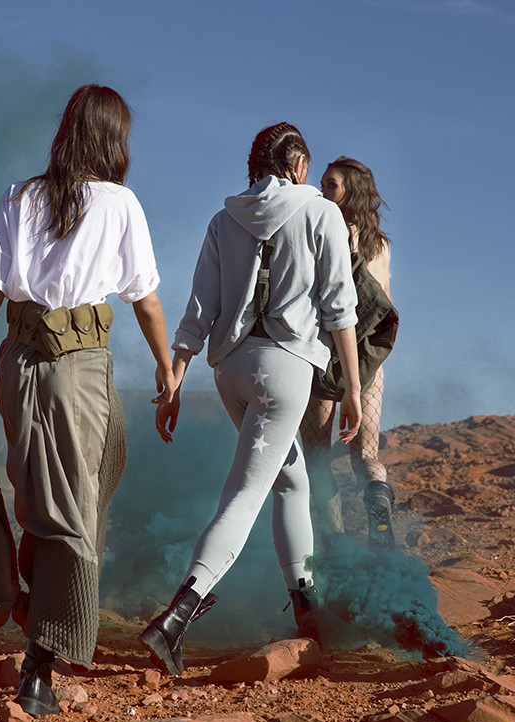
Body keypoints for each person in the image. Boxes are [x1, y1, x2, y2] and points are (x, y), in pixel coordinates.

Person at [0, 84, 176, 716]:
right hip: (78, 370)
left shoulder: (20, 196)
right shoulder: (120, 203)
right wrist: (166, 367)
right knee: (71, 509)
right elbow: (146, 299)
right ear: (114, 140)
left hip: (17, 366)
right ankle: (39, 664)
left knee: (60, 489)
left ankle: (36, 601)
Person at [140, 123, 361, 676]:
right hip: (284, 371)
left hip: (231, 370)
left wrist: (176, 378)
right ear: (299, 164)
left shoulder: (224, 219)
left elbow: (199, 309)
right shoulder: (322, 213)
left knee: (291, 480)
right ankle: (176, 617)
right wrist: (355, 388)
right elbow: (339, 308)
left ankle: (307, 610)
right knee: (244, 494)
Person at [300, 157, 395, 548]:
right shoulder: (381, 245)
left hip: (325, 355)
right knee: (367, 455)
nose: (323, 190)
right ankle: (379, 503)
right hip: (368, 360)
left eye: (331, 184)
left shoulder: (326, 231)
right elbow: (387, 302)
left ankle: (335, 542)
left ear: (350, 190)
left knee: (317, 457)